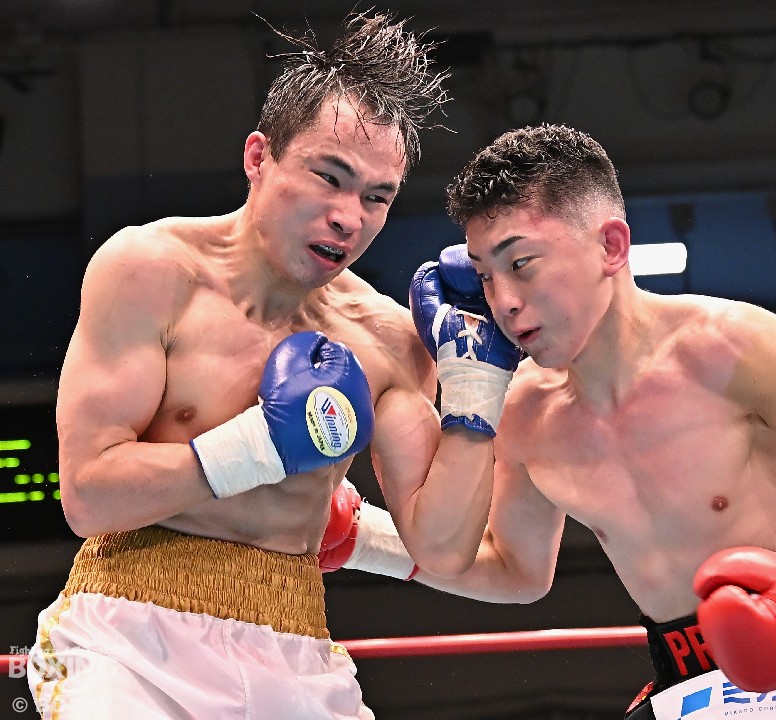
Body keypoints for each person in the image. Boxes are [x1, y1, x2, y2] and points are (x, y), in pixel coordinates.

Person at [26, 11, 490, 720]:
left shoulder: (389, 341)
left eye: (377, 197)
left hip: (297, 650)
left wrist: (478, 389)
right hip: (128, 642)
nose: (349, 217)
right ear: (258, 157)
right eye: (329, 177)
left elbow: (450, 551)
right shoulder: (152, 271)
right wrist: (260, 447)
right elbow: (87, 496)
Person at [406, 124, 776, 719]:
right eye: (485, 275)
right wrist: (358, 537)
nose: (503, 301)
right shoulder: (526, 416)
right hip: (687, 682)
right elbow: (515, 571)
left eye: (522, 263)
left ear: (612, 247)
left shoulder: (731, 349)